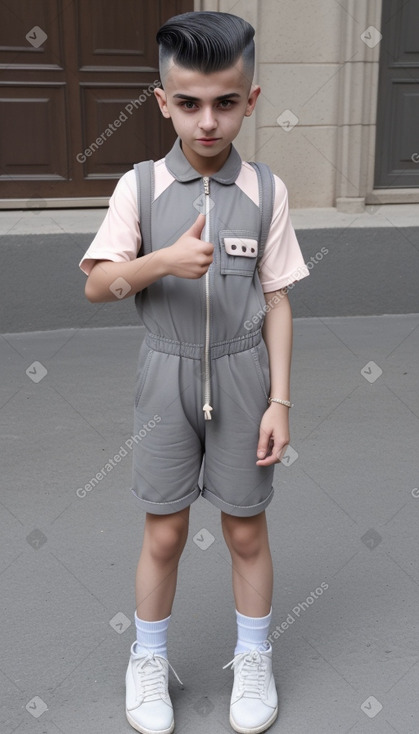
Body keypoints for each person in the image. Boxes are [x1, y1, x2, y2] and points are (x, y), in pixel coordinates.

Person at [79, 10, 309, 734]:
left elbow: (275, 301)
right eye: (188, 103)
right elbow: (98, 285)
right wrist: (161, 262)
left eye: (225, 102)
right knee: (164, 533)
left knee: (246, 531)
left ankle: (252, 656)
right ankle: (147, 659)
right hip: (164, 377)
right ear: (162, 101)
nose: (207, 121)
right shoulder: (139, 186)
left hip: (243, 380)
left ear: (251, 98)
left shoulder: (265, 192)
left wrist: (279, 400)